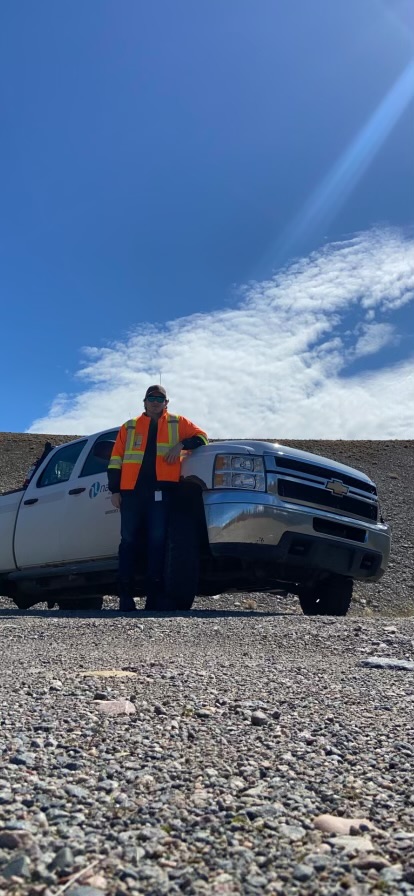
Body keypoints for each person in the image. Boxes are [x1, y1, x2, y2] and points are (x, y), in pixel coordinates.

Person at [107, 385, 208, 611]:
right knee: (128, 542)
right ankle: (125, 597)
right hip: (131, 493)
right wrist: (115, 490)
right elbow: (116, 460)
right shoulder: (130, 426)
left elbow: (202, 437)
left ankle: (153, 598)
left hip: (161, 492)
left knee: (157, 543)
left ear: (166, 403)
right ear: (144, 402)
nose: (155, 402)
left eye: (160, 398)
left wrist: (182, 444)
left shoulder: (177, 422)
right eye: (151, 398)